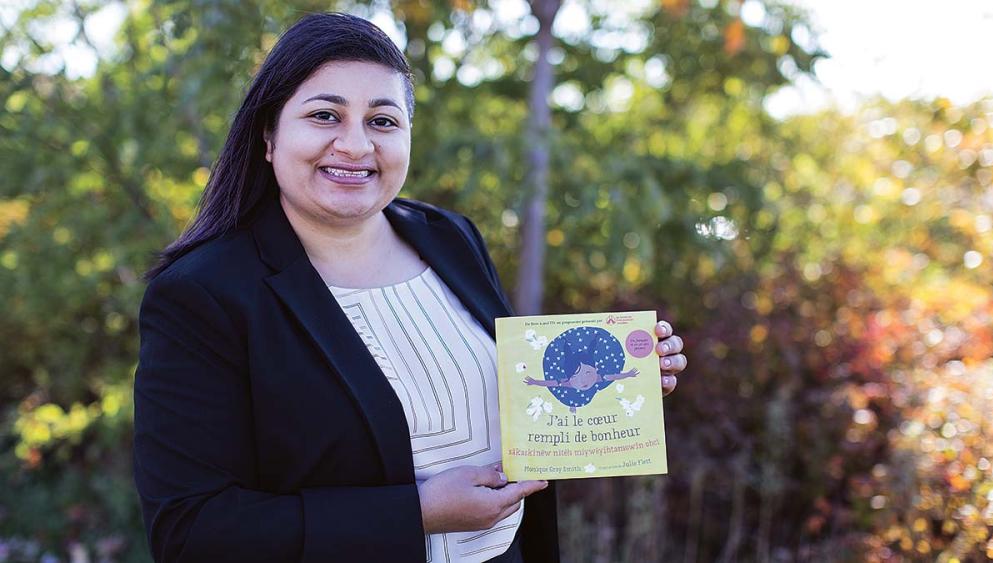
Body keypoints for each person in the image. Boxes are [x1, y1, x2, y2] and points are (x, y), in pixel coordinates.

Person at [133, 12, 688, 563]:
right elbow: (192, 532)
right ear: (269, 137)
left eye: (382, 120)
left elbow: (516, 401)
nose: (355, 145)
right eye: (325, 115)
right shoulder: (201, 295)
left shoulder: (450, 238)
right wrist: (416, 512)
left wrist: (618, 387)